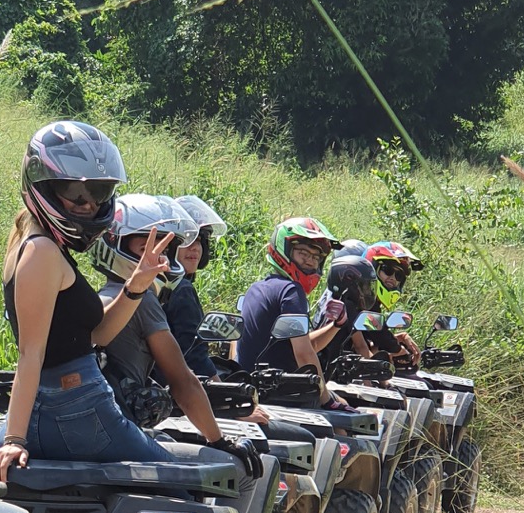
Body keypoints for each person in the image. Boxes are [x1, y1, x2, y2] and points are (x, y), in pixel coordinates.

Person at [0, 121, 179, 482]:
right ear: (43, 187)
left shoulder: (39, 244)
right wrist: (13, 439)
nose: (89, 206)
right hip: (77, 407)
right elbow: (32, 354)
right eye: (76, 193)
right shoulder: (41, 251)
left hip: (57, 405)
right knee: (184, 486)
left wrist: (136, 285)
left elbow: (94, 336)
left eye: (100, 193)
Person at [89, 194, 260, 476]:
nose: (159, 259)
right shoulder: (142, 301)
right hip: (119, 434)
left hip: (92, 428)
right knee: (237, 471)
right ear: (115, 245)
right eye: (147, 248)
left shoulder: (97, 296)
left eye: (166, 250)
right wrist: (219, 441)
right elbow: (183, 381)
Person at [233, 217, 344, 375]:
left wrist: (336, 325)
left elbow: (305, 346)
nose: (310, 261)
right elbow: (304, 355)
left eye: (316, 257)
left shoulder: (255, 288)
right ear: (284, 250)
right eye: (303, 253)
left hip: (253, 385)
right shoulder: (291, 291)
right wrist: (326, 399)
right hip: (280, 392)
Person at [160, 194, 227, 379]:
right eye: (187, 240)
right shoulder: (181, 289)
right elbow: (194, 353)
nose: (195, 248)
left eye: (200, 240)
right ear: (169, 244)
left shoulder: (157, 282)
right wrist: (218, 387)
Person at [314, 253, 379, 372]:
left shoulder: (330, 299)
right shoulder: (347, 306)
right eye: (364, 286)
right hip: (329, 371)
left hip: (320, 363)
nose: (368, 291)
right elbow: (361, 347)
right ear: (349, 283)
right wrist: (376, 382)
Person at [362, 241, 424, 366]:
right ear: (373, 268)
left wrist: (396, 341)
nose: (393, 278)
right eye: (388, 270)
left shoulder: (371, 301)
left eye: (399, 275)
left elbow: (374, 336)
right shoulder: (360, 300)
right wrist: (399, 350)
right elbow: (379, 335)